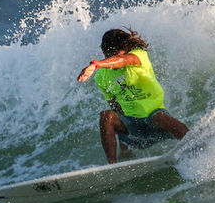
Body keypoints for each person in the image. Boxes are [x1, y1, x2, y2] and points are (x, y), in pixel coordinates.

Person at [76, 28, 188, 163]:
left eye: (114, 54)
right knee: (107, 116)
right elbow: (116, 106)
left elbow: (123, 60)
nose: (111, 59)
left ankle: (195, 144)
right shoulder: (102, 76)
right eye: (108, 55)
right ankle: (113, 167)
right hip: (134, 131)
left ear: (125, 48)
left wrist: (97, 64)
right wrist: (123, 145)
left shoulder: (139, 56)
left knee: (159, 117)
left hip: (156, 125)